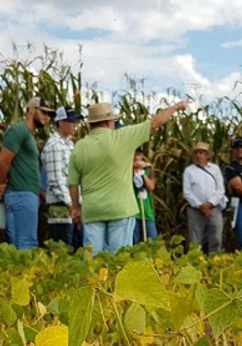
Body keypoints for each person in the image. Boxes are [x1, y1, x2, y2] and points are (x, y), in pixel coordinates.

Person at [68, 100, 188, 255]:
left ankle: (97, 279)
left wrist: (76, 208)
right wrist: (176, 107)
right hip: (120, 208)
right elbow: (154, 123)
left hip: (92, 210)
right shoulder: (123, 137)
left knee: (93, 257)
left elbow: (73, 183)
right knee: (119, 257)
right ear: (109, 122)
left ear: (91, 124)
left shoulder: (80, 146)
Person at [0, 97, 55, 250]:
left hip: (23, 194)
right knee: (27, 242)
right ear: (31, 109)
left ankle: (17, 273)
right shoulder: (19, 130)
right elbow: (2, 161)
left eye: (49, 115)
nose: (47, 118)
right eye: (44, 112)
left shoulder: (27, 134)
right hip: (22, 193)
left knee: (18, 243)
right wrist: (0, 184)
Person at [42, 106, 84, 248]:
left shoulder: (69, 144)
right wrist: (71, 204)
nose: (75, 125)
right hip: (61, 205)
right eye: (71, 121)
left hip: (73, 204)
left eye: (76, 122)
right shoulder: (54, 145)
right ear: (60, 123)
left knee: (77, 246)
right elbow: (56, 180)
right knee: (63, 248)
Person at [183, 142, 227, 253]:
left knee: (216, 238)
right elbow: (187, 192)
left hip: (214, 209)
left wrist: (209, 204)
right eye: (197, 153)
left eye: (201, 153)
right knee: (195, 240)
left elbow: (220, 190)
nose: (199, 155)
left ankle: (215, 263)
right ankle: (195, 264)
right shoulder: (189, 171)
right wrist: (200, 206)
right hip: (195, 210)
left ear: (207, 155)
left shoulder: (215, 169)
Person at [132, 148, 158, 244]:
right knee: (134, 240)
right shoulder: (127, 169)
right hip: (133, 211)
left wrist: (142, 175)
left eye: (138, 154)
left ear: (142, 156)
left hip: (147, 209)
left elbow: (151, 186)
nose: (136, 157)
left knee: (153, 238)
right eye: (134, 154)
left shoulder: (148, 169)